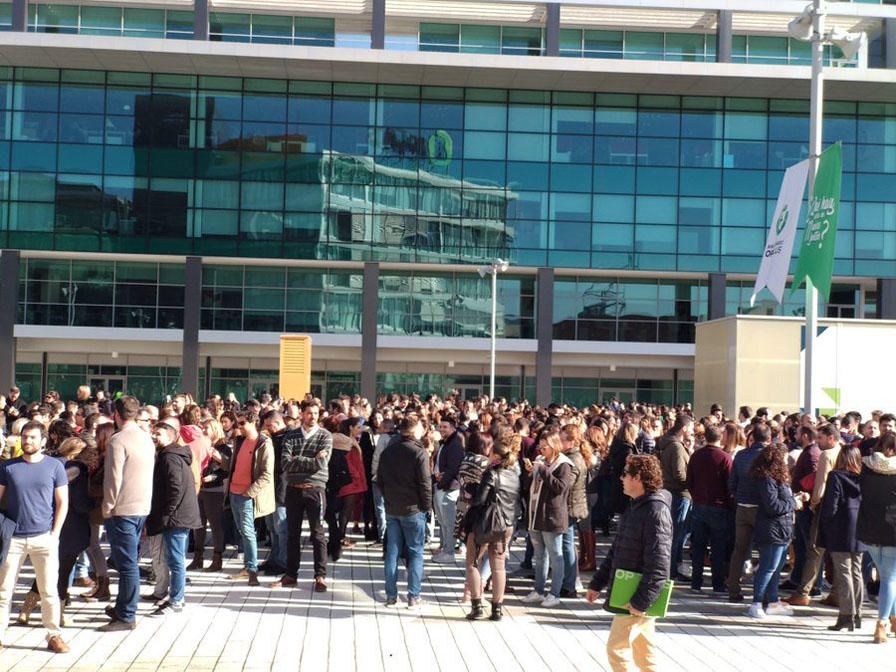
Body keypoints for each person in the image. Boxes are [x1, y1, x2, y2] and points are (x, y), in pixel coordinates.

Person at [586, 454, 672, 672]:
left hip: (636, 594)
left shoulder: (655, 511)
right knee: (645, 654)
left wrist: (641, 601)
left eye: (625, 474)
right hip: (630, 591)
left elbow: (659, 564)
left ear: (639, 478)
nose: (621, 478)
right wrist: (597, 583)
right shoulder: (635, 507)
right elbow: (617, 549)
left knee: (617, 649)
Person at [0, 421, 70, 653]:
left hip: (44, 538)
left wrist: (55, 534)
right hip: (13, 539)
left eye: (32, 437)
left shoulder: (55, 467)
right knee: (3, 591)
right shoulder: (8, 467)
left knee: (50, 590)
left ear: (43, 441)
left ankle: (53, 635)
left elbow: (62, 502)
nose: (27, 441)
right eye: (24, 437)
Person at [17, 436, 94, 628]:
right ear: (79, 453)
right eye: (90, 452)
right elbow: (80, 502)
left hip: (47, 523)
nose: (94, 456)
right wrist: (95, 504)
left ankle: (25, 610)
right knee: (63, 570)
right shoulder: (80, 470)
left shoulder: (50, 464)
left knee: (45, 570)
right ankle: (59, 615)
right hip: (71, 527)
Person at [100, 395, 155, 632]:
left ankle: (126, 615)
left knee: (127, 564)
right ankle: (124, 605)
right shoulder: (147, 439)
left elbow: (114, 478)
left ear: (116, 415)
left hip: (122, 508)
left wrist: (107, 505)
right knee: (129, 561)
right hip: (142, 505)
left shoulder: (117, 440)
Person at [144, 420, 201, 615]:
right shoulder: (170, 455)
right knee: (173, 558)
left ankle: (177, 600)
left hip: (176, 517)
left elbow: (175, 488)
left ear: (171, 436)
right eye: (153, 433)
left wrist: (167, 514)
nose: (154, 437)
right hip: (177, 515)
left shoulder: (170, 457)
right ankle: (174, 595)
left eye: (158, 434)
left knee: (176, 560)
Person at [274, 401, 331, 592]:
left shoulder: (325, 436)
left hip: (315, 489)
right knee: (292, 533)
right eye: (309, 413)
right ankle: (291, 574)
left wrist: (298, 460)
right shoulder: (291, 435)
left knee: (317, 534)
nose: (313, 416)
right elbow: (285, 464)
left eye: (316, 413)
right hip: (294, 489)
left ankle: (320, 576)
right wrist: (311, 459)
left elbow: (321, 464)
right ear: (302, 415)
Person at [378, 415, 432, 608]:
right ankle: (413, 596)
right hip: (413, 509)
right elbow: (425, 484)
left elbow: (380, 480)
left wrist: (388, 499)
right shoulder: (419, 453)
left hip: (393, 508)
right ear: (414, 430)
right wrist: (427, 508)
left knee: (392, 552)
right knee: (416, 552)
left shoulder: (388, 451)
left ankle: (391, 595)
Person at [465, 435, 520, 622]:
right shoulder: (513, 474)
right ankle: (497, 609)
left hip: (486, 523)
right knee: (499, 567)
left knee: (472, 562)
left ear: (494, 455)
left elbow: (480, 500)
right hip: (505, 524)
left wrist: (472, 490)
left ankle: (477, 605)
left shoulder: (491, 473)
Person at [786, 423, 842, 607]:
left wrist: (813, 503)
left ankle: (803, 592)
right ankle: (836, 592)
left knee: (814, 549)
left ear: (831, 438)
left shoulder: (827, 455)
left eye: (820, 438)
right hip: (839, 508)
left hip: (823, 507)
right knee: (836, 552)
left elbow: (821, 483)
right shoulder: (841, 451)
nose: (817, 441)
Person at [523, 428, 574, 608]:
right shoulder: (540, 461)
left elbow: (560, 488)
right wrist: (531, 472)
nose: (541, 451)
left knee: (555, 555)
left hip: (552, 516)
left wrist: (543, 470)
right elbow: (531, 486)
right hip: (536, 514)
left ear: (554, 447)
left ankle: (555, 593)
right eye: (540, 448)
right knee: (540, 555)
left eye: (544, 448)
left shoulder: (564, 464)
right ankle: (538, 590)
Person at [747, 443, 800, 619]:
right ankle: (756, 603)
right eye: (784, 458)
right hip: (772, 529)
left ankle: (772, 601)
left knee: (776, 568)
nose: (787, 461)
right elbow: (773, 506)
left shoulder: (777, 478)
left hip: (782, 528)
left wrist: (794, 499)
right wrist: (794, 503)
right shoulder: (767, 478)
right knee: (768, 567)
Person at [819, 445, 865, 632]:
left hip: (840, 527)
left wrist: (824, 523)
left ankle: (846, 615)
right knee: (856, 572)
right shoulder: (864, 477)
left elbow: (831, 505)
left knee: (844, 571)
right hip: (860, 526)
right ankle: (857, 614)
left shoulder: (836, 476)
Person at [226, 412, 274, 587]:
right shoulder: (239, 441)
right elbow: (233, 466)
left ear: (254, 422)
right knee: (242, 530)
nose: (239, 426)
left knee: (247, 531)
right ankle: (248, 566)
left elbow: (267, 474)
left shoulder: (263, 443)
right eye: (237, 423)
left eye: (242, 423)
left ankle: (251, 568)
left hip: (247, 495)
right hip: (234, 492)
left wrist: (249, 493)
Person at [857, 430, 896, 643]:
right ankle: (881, 624)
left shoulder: (866, 465)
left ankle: (894, 618)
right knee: (889, 578)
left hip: (869, 527)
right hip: (892, 529)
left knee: (889, 578)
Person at [685, 424, 732, 593]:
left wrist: (696, 496)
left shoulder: (696, 456)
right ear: (720, 438)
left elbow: (689, 480)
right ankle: (717, 584)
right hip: (719, 507)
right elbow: (730, 484)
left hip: (699, 505)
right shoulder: (725, 458)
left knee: (698, 546)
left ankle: (696, 583)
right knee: (718, 548)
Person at [727, 423, 769, 603]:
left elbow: (732, 482)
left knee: (739, 550)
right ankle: (761, 593)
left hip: (743, 507)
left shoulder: (741, 455)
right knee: (765, 551)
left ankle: (733, 590)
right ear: (768, 438)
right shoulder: (769, 455)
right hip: (762, 508)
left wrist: (737, 495)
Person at [655, 415, 694, 581]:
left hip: (670, 491)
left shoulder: (666, 443)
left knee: (674, 534)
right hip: (679, 493)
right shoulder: (676, 447)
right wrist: (693, 483)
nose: (692, 432)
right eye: (691, 428)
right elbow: (679, 473)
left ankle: (674, 567)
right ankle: (670, 569)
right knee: (676, 535)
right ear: (684, 428)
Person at [195, 418, 230, 574]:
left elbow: (227, 469)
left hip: (214, 491)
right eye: (202, 428)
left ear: (215, 429)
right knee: (198, 525)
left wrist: (213, 477)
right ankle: (198, 557)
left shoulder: (223, 448)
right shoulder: (202, 445)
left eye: (206, 428)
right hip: (200, 489)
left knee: (216, 526)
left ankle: (217, 558)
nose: (203, 430)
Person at [560, 423, 590, 598]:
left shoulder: (573, 459)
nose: (560, 442)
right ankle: (569, 581)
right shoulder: (571, 456)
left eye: (562, 439)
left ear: (571, 441)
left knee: (567, 545)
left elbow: (565, 485)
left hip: (571, 506)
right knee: (568, 545)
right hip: (572, 504)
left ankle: (569, 584)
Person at [432, 416, 464, 564]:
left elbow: (453, 468)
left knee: (449, 523)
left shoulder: (455, 445)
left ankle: (449, 552)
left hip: (449, 489)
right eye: (440, 426)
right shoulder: (445, 444)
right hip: (442, 487)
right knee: (443, 522)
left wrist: (441, 483)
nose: (442, 429)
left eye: (445, 426)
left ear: (453, 428)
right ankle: (445, 549)